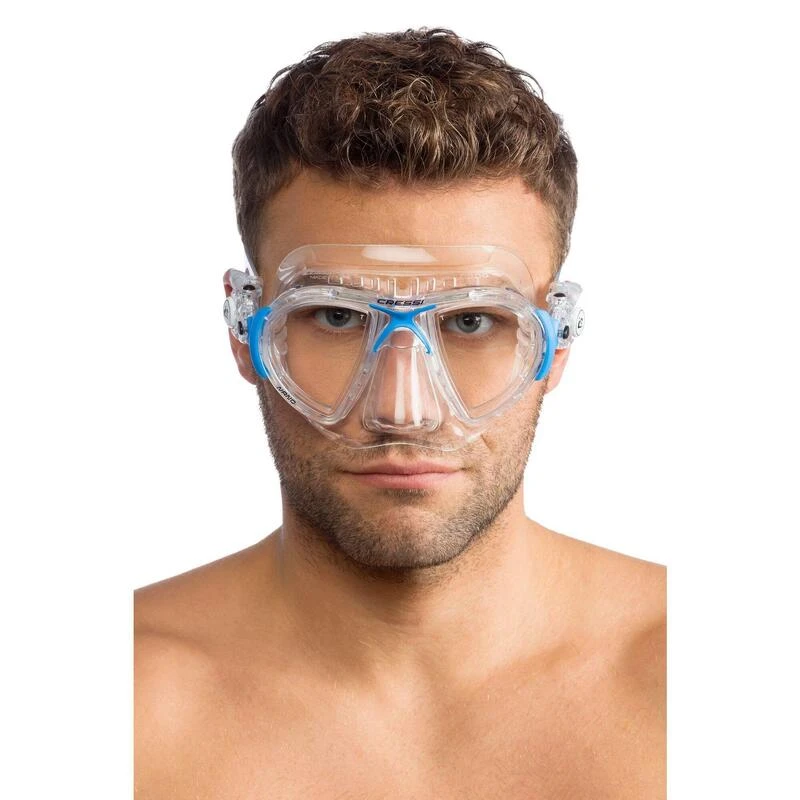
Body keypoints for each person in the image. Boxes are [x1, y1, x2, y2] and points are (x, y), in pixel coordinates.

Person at [134, 27, 666, 799]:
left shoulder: (709, 682)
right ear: (245, 333)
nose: (402, 411)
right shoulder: (118, 705)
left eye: (473, 321)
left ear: (556, 342)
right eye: (337, 317)